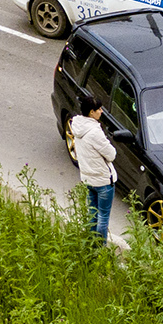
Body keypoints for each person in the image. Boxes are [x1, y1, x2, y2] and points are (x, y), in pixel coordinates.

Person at [69, 97, 118, 240]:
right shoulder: (94, 132)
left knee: (92, 214)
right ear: (91, 112)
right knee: (103, 218)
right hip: (102, 181)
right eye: (99, 109)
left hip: (88, 178)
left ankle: (91, 243)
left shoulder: (77, 126)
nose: (102, 112)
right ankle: (100, 249)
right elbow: (111, 154)